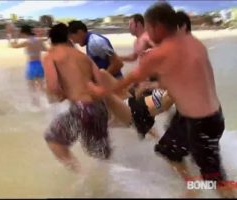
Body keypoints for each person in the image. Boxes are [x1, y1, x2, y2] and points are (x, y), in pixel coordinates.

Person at [88, 2, 235, 198]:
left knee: (217, 182)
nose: (147, 33)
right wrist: (156, 86)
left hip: (202, 123)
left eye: (148, 28)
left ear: (157, 26)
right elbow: (183, 79)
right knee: (167, 149)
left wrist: (100, 91)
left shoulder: (161, 53)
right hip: (200, 117)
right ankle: (193, 188)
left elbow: (130, 80)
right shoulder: (193, 43)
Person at [43, 23, 111, 173]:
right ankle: (106, 182)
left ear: (51, 40)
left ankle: (80, 175)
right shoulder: (84, 57)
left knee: (53, 139)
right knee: (99, 154)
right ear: (68, 38)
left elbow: (53, 86)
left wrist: (62, 94)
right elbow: (101, 84)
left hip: (81, 109)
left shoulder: (51, 56)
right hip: (100, 107)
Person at [6, 24, 47, 105]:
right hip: (39, 65)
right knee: (42, 87)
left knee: (32, 88)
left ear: (24, 33)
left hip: (31, 66)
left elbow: (13, 46)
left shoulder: (27, 42)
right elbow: (45, 49)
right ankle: (47, 103)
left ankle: (36, 105)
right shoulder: (38, 40)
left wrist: (11, 37)